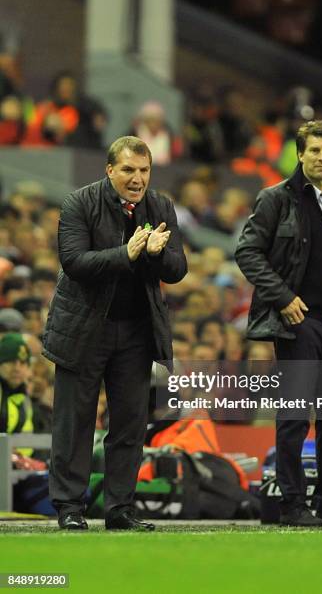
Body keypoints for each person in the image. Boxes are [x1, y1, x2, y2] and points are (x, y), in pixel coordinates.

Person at [43, 135, 187, 531]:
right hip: (84, 328)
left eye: (143, 170)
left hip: (138, 332)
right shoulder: (79, 203)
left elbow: (177, 269)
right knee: (75, 422)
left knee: (129, 423)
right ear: (110, 171)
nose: (137, 178)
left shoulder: (161, 206)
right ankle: (69, 507)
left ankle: (120, 508)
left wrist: (155, 254)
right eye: (128, 170)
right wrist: (126, 254)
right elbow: (75, 262)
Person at [235, 121, 322, 527]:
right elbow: (247, 252)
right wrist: (283, 299)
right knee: (293, 418)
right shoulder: (277, 198)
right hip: (300, 321)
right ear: (299, 154)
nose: (321, 158)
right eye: (313, 151)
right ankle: (293, 505)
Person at [0, 333, 34, 443]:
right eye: (11, 362)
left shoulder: (25, 400)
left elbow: (27, 445)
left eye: (23, 363)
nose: (17, 368)